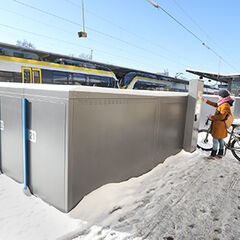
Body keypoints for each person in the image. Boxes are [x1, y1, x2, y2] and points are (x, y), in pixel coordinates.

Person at [202, 89, 234, 160]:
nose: (218, 97)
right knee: (220, 140)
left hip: (219, 126)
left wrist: (212, 117)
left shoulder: (225, 105)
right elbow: (216, 105)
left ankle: (213, 155)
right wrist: (206, 101)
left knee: (215, 140)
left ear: (222, 96)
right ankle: (220, 154)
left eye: (219, 95)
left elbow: (222, 116)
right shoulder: (223, 102)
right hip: (220, 125)